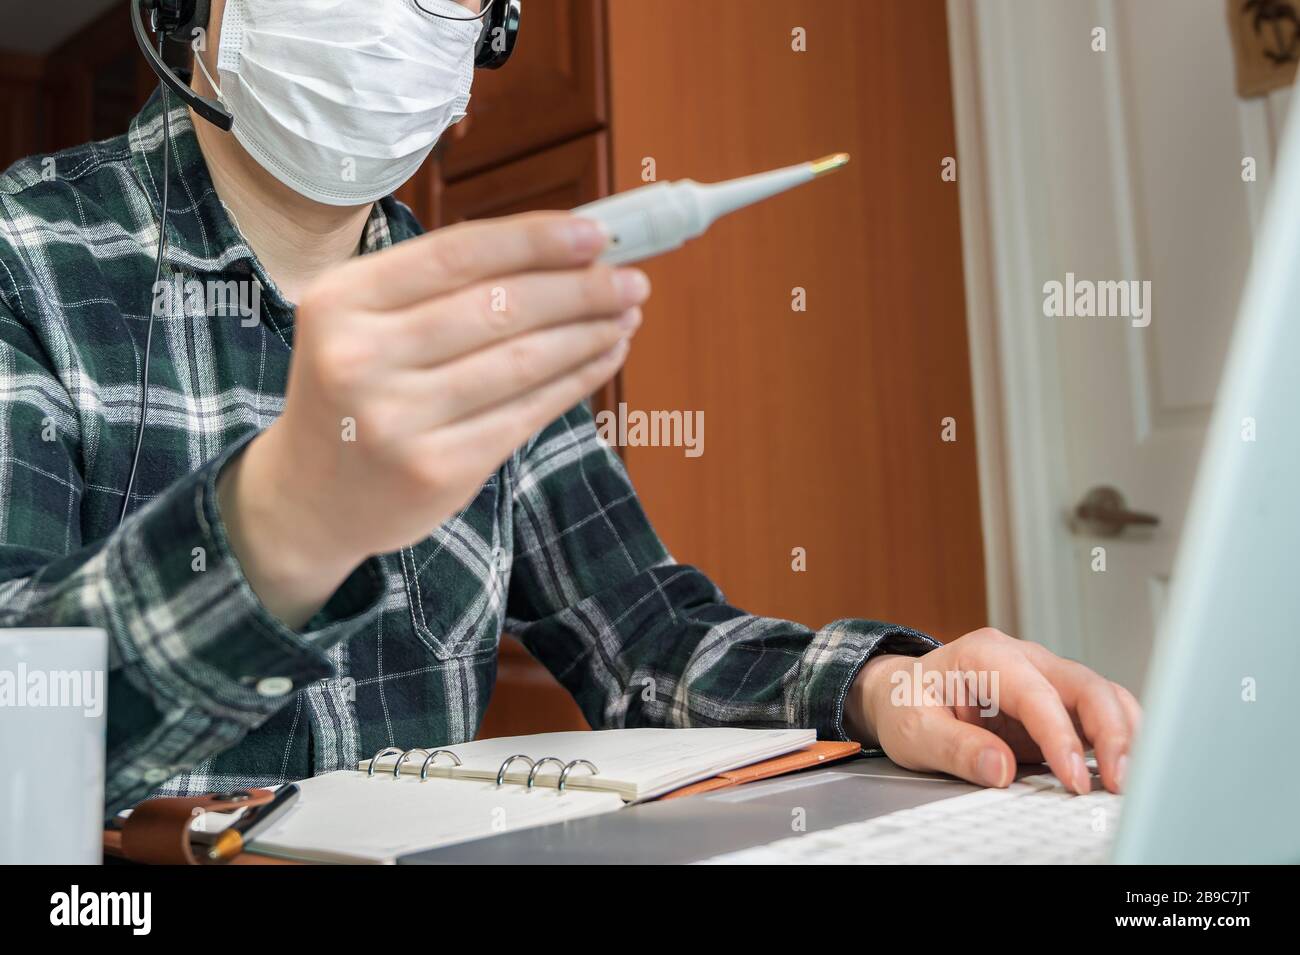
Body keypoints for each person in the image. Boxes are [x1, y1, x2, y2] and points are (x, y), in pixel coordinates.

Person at [0, 0, 1138, 817]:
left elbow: (644, 639)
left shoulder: (481, 315)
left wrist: (884, 685)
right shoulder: (26, 256)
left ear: (480, 43)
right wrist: (282, 523)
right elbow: (17, 742)